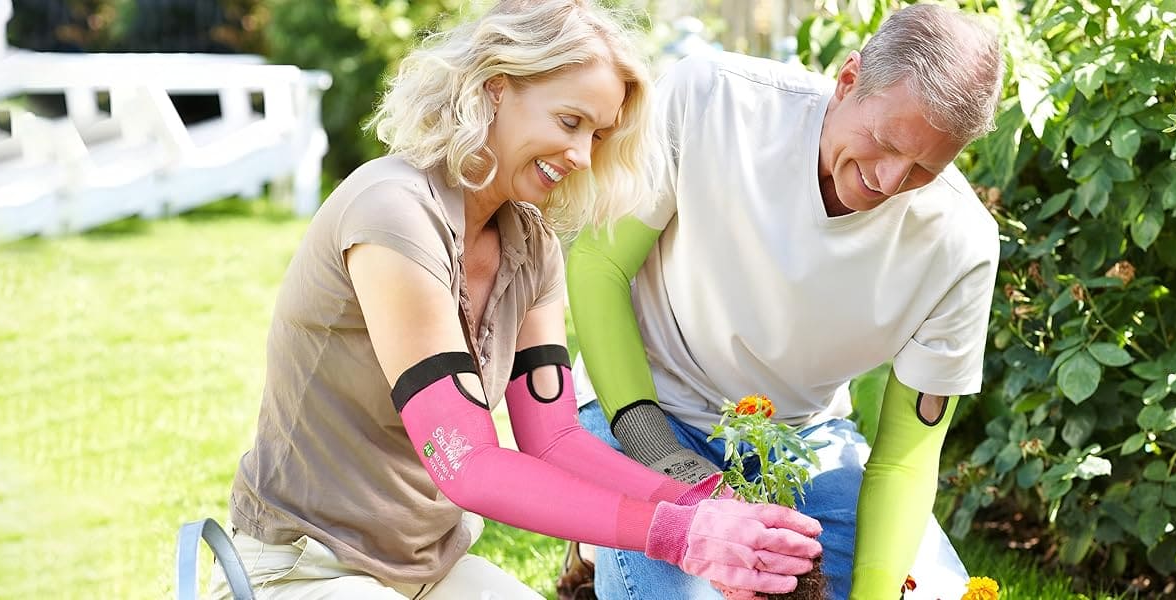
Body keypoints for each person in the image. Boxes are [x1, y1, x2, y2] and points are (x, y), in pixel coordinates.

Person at [212, 1, 822, 598]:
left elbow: (554, 441)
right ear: (497, 89)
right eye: (569, 122)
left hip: (429, 565)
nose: (583, 156)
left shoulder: (530, 246)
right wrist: (671, 533)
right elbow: (468, 463)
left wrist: (698, 503)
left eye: (598, 134)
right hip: (302, 564)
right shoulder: (392, 212)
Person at [567, 4, 1004, 599]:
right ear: (848, 81)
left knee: (924, 591)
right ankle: (597, 547)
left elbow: (906, 459)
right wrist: (660, 453)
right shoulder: (712, 100)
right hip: (648, 409)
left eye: (925, 168)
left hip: (802, 442)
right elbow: (598, 265)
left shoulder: (960, 245)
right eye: (882, 141)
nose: (889, 181)